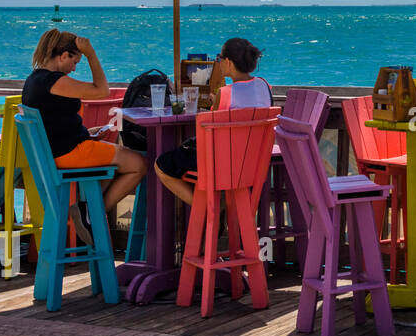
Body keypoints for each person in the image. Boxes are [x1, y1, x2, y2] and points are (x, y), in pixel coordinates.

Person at [22, 30, 147, 245]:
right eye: (75, 61)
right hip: (69, 153)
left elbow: (53, 123)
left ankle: (87, 212)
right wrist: (91, 55)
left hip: (57, 153)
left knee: (114, 165)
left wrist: (86, 132)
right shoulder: (55, 81)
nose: (74, 68)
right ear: (63, 56)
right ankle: (92, 214)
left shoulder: (34, 80)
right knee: (139, 164)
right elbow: (102, 91)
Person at [154, 37, 271, 206]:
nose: (219, 62)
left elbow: (209, 134)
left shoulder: (225, 93)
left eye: (219, 58)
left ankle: (208, 209)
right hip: (253, 165)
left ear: (228, 62)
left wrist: (215, 102)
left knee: (162, 164)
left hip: (224, 167)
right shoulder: (264, 86)